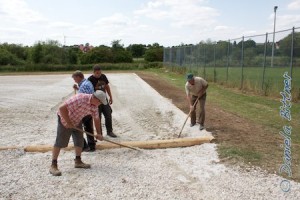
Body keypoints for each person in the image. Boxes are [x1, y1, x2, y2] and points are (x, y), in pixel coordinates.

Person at [49, 91, 106, 176]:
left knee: (79, 140)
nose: (100, 104)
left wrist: (99, 133)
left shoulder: (94, 106)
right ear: (96, 99)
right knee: (60, 142)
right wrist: (68, 122)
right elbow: (61, 108)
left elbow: (96, 119)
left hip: (76, 120)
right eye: (100, 102)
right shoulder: (80, 98)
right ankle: (53, 165)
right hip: (65, 119)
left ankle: (78, 161)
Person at [88, 65, 117, 138]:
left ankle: (109, 131)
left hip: (104, 99)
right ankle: (99, 133)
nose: (99, 75)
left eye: (100, 73)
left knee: (108, 114)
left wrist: (110, 96)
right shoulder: (90, 79)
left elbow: (107, 86)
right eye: (97, 73)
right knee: (98, 117)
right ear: (93, 72)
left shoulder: (103, 76)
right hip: (96, 100)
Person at [72, 70, 97, 152]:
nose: (74, 80)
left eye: (75, 78)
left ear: (79, 77)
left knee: (75, 128)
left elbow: (85, 99)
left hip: (84, 110)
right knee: (88, 127)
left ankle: (85, 146)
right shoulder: (86, 83)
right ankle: (91, 145)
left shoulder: (84, 86)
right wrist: (78, 88)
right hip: (88, 109)